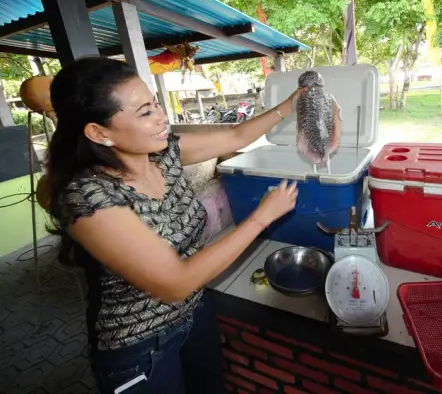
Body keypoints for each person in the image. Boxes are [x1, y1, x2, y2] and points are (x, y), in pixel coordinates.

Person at [45, 57, 301, 393]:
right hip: (140, 346)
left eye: (154, 103)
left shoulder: (162, 155)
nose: (162, 117)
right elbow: (174, 283)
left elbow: (236, 135)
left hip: (195, 314)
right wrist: (261, 218)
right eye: (145, 112)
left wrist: (291, 103)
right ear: (99, 132)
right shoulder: (89, 197)